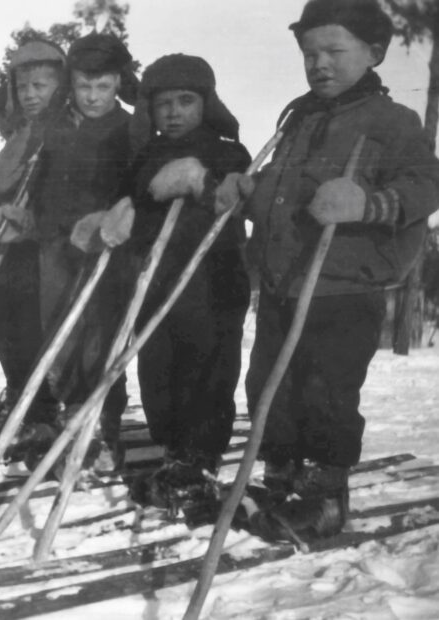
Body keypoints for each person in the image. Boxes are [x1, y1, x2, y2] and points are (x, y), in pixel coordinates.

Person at [220, 0, 439, 540]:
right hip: (283, 283)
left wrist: (367, 204)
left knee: (325, 391)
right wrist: (249, 192)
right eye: (309, 53)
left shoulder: (393, 121)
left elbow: (424, 186)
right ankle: (281, 476)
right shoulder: (298, 120)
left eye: (335, 51)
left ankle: (324, 496)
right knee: (270, 386)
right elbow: (279, 193)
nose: (319, 63)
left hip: (342, 288)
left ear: (375, 52)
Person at [106, 54, 252, 511]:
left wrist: (202, 182)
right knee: (158, 373)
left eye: (185, 101)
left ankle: (200, 460)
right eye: (163, 103)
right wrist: (125, 213)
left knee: (205, 372)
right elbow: (134, 205)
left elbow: (237, 200)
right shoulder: (145, 155)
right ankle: (173, 454)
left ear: (206, 104)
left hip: (211, 284)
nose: (173, 112)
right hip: (155, 282)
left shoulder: (227, 150)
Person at [0, 32, 138, 471]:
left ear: (118, 84)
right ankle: (63, 418)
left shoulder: (130, 129)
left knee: (98, 343)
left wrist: (116, 219)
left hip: (105, 255)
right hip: (55, 252)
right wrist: (26, 221)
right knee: (60, 339)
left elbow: (137, 194)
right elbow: (43, 194)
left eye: (103, 87)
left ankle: (101, 429)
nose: (92, 97)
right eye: (83, 87)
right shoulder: (59, 130)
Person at [0, 39, 69, 451]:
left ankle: (42, 411)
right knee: (5, 331)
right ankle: (20, 398)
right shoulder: (19, 138)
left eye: (40, 85)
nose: (30, 95)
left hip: (48, 253)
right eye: (23, 87)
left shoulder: (66, 132)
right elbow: (0, 190)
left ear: (60, 85)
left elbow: (67, 199)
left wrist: (26, 223)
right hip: (9, 253)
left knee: (37, 332)